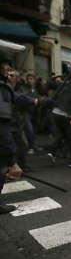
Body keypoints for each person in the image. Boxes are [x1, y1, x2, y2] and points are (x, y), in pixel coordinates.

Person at [0, 59, 22, 214]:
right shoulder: (2, 90)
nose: (8, 71)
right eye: (5, 68)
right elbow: (2, 127)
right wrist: (12, 161)